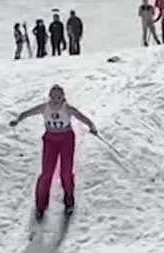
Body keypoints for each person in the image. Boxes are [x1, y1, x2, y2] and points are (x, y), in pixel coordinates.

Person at [9, 84, 98, 220]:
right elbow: (27, 113)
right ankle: (40, 205)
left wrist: (92, 126)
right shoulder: (44, 107)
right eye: (53, 97)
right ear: (49, 97)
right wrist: (17, 120)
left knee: (66, 172)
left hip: (66, 139)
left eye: (59, 97)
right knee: (46, 173)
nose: (56, 100)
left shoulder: (67, 108)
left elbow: (82, 117)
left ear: (63, 97)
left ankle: (69, 201)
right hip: (50, 140)